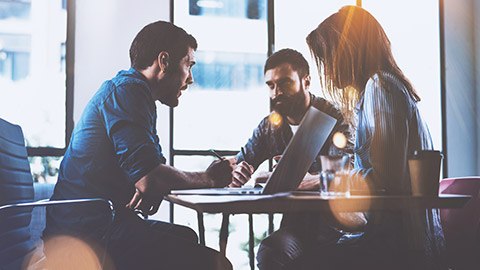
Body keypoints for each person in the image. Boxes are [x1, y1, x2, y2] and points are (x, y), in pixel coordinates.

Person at [43, 21, 234, 270]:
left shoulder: (135, 94)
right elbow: (150, 178)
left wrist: (151, 180)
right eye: (188, 65)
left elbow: (152, 174)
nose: (191, 79)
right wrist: (208, 179)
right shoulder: (128, 92)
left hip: (102, 226)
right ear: (164, 61)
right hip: (87, 236)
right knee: (216, 265)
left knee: (187, 238)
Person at [306, 5, 446, 269]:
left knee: (309, 259)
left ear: (347, 51)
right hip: (395, 239)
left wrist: (326, 180)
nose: (327, 67)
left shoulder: (380, 88)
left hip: (399, 246)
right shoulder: (379, 88)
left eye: (327, 57)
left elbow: (386, 180)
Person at [230, 48, 356, 270]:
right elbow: (243, 160)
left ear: (306, 82)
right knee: (270, 253)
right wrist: (238, 170)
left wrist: (308, 179)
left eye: (285, 83)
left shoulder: (333, 117)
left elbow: (347, 168)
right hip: (297, 228)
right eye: (271, 85)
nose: (276, 92)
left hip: (339, 228)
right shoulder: (270, 126)